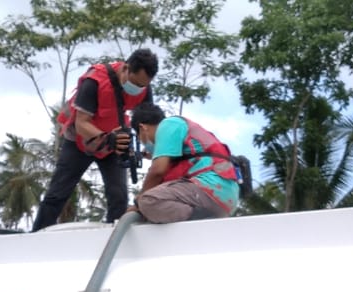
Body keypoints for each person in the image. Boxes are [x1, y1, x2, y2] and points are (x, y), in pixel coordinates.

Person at [31, 49, 159, 231]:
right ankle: (36, 236)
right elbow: (81, 123)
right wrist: (107, 138)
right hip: (80, 143)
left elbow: (146, 122)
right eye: (135, 83)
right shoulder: (94, 81)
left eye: (143, 86)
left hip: (113, 145)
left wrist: (148, 147)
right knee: (57, 194)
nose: (138, 89)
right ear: (125, 68)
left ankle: (113, 242)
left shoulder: (143, 88)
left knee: (119, 197)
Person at [127, 103, 240, 223]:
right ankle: (201, 217)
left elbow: (157, 171)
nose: (144, 144)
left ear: (142, 128)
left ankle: (201, 220)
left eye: (140, 138)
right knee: (155, 212)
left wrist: (138, 203)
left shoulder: (168, 125)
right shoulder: (179, 138)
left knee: (148, 201)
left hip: (210, 187)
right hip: (224, 198)